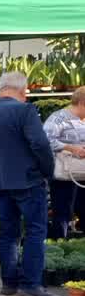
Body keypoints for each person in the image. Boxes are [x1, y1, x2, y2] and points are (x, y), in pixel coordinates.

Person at [0, 71, 59, 296]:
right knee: (35, 231)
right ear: (22, 90)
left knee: (9, 232)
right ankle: (31, 284)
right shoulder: (25, 111)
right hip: (28, 180)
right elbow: (40, 144)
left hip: (1, 180)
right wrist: (47, 171)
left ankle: (9, 283)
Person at [44, 86, 85, 239]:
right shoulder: (59, 118)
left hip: (83, 174)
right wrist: (70, 148)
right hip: (64, 175)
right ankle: (59, 245)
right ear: (81, 103)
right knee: (62, 212)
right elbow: (45, 141)